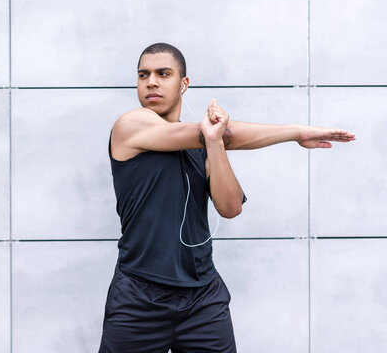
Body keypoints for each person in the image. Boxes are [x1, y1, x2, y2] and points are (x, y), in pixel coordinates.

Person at [98, 43, 355, 353]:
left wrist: (215, 145)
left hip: (203, 297)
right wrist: (296, 132)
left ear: (183, 84)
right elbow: (217, 133)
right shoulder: (130, 125)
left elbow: (230, 208)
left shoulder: (204, 142)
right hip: (140, 295)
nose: (151, 81)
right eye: (143, 75)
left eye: (163, 74)